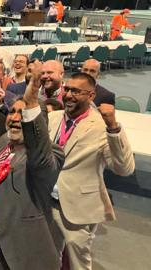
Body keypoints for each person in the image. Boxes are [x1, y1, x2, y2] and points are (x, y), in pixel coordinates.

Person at [0, 60, 64, 270]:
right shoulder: (3, 142)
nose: (16, 119)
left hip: (6, 254)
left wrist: (33, 96)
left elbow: (40, 152)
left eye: (23, 114)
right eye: (12, 113)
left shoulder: (49, 155)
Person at [47, 72, 135, 270]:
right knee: (49, 257)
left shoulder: (102, 127)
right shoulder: (52, 118)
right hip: (47, 201)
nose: (68, 95)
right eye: (67, 89)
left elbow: (124, 168)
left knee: (78, 262)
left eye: (76, 91)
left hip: (78, 207)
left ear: (91, 96)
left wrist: (113, 127)